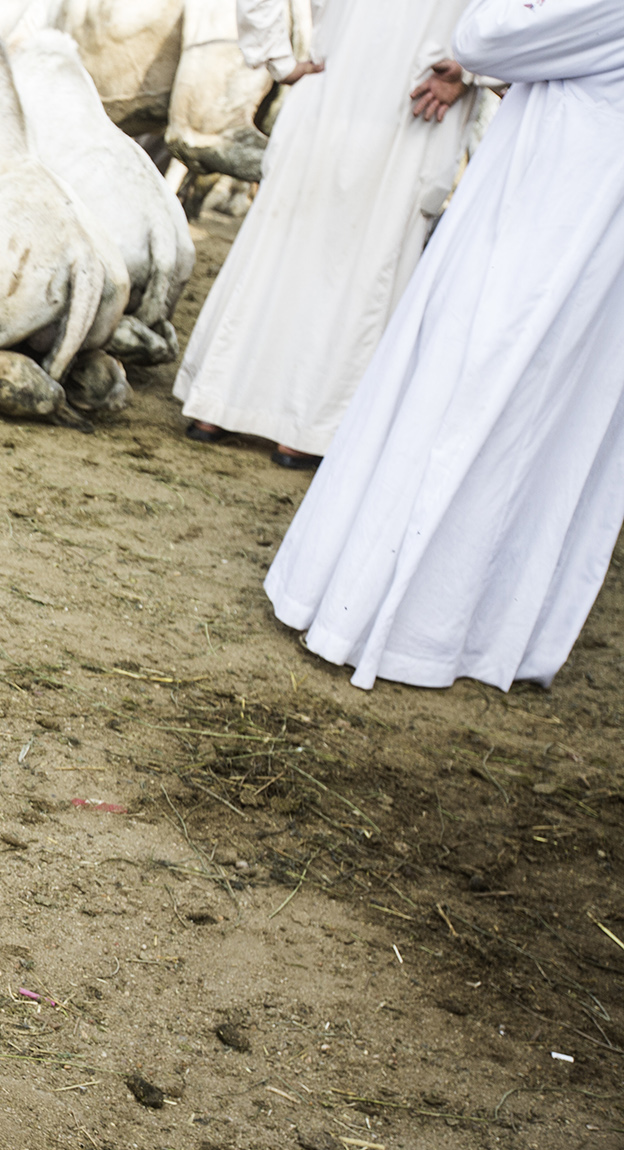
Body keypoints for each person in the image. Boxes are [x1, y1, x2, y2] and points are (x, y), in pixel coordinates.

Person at [263, 0, 624, 691]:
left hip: (548, 205)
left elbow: (486, 36)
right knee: (545, 410)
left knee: (473, 383)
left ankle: (405, 622)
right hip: (590, 211)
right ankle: (476, 627)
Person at [173, 0, 478, 468]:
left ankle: (219, 401)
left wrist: (276, 56)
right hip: (415, 104)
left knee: (285, 245)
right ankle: (308, 427)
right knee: (364, 259)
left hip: (333, 90)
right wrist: (471, 66)